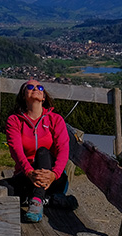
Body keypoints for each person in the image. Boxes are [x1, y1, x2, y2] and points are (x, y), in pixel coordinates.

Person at [5, 80, 77, 222]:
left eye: (40, 87)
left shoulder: (55, 119)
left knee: (43, 152)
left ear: (44, 97)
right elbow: (16, 150)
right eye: (30, 87)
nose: (36, 89)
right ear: (23, 95)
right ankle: (51, 201)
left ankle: (37, 201)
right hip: (26, 175)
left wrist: (54, 174)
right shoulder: (14, 121)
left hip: (53, 179)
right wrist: (29, 172)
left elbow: (63, 149)